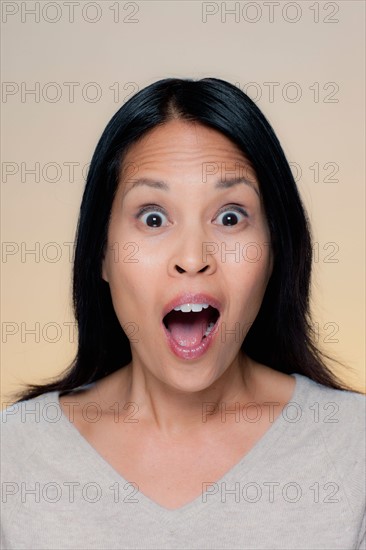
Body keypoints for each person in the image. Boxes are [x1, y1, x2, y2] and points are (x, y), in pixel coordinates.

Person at [1, 77, 365, 550]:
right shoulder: (15, 453)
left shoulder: (354, 447)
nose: (193, 257)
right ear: (101, 255)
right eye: (153, 218)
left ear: (276, 250)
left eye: (230, 216)